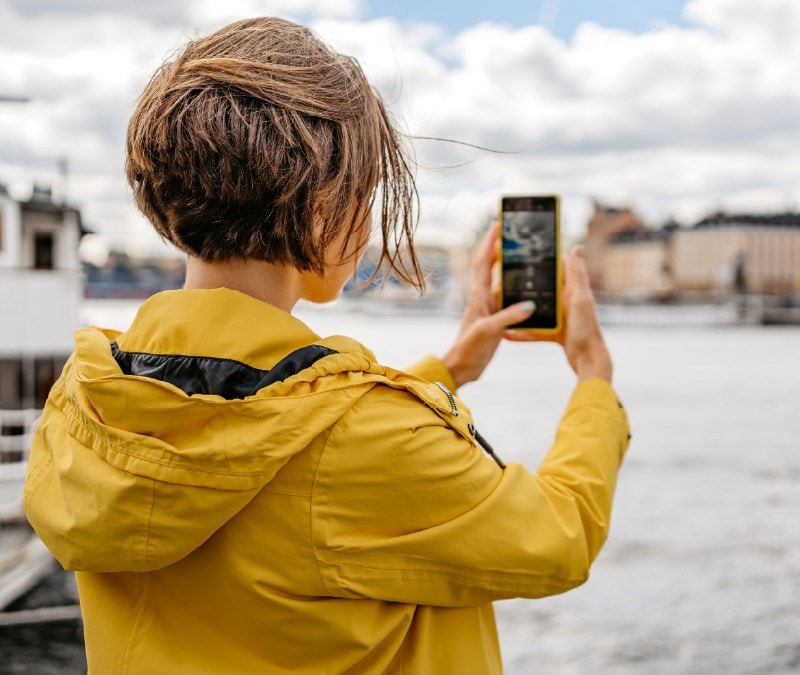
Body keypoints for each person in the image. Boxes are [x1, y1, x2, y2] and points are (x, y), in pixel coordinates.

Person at [24, 17, 630, 674]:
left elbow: (264, 415)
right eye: (365, 194)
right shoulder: (364, 439)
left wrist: (449, 368)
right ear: (319, 210)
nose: (368, 223)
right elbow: (558, 535)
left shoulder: (85, 401)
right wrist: (593, 377)